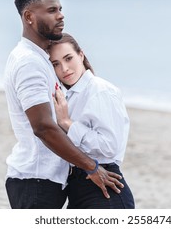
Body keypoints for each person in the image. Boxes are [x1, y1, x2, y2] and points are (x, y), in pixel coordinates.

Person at [3, 0, 123, 209]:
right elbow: (43, 127)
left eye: (60, 9)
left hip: (45, 180)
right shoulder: (29, 62)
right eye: (51, 11)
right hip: (35, 179)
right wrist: (92, 167)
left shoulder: (40, 59)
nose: (61, 16)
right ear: (29, 17)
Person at [48, 33, 135, 209]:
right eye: (55, 64)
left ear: (81, 55)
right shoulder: (69, 97)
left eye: (68, 58)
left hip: (105, 187)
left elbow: (109, 146)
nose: (64, 68)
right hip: (79, 187)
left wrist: (67, 123)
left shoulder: (100, 90)